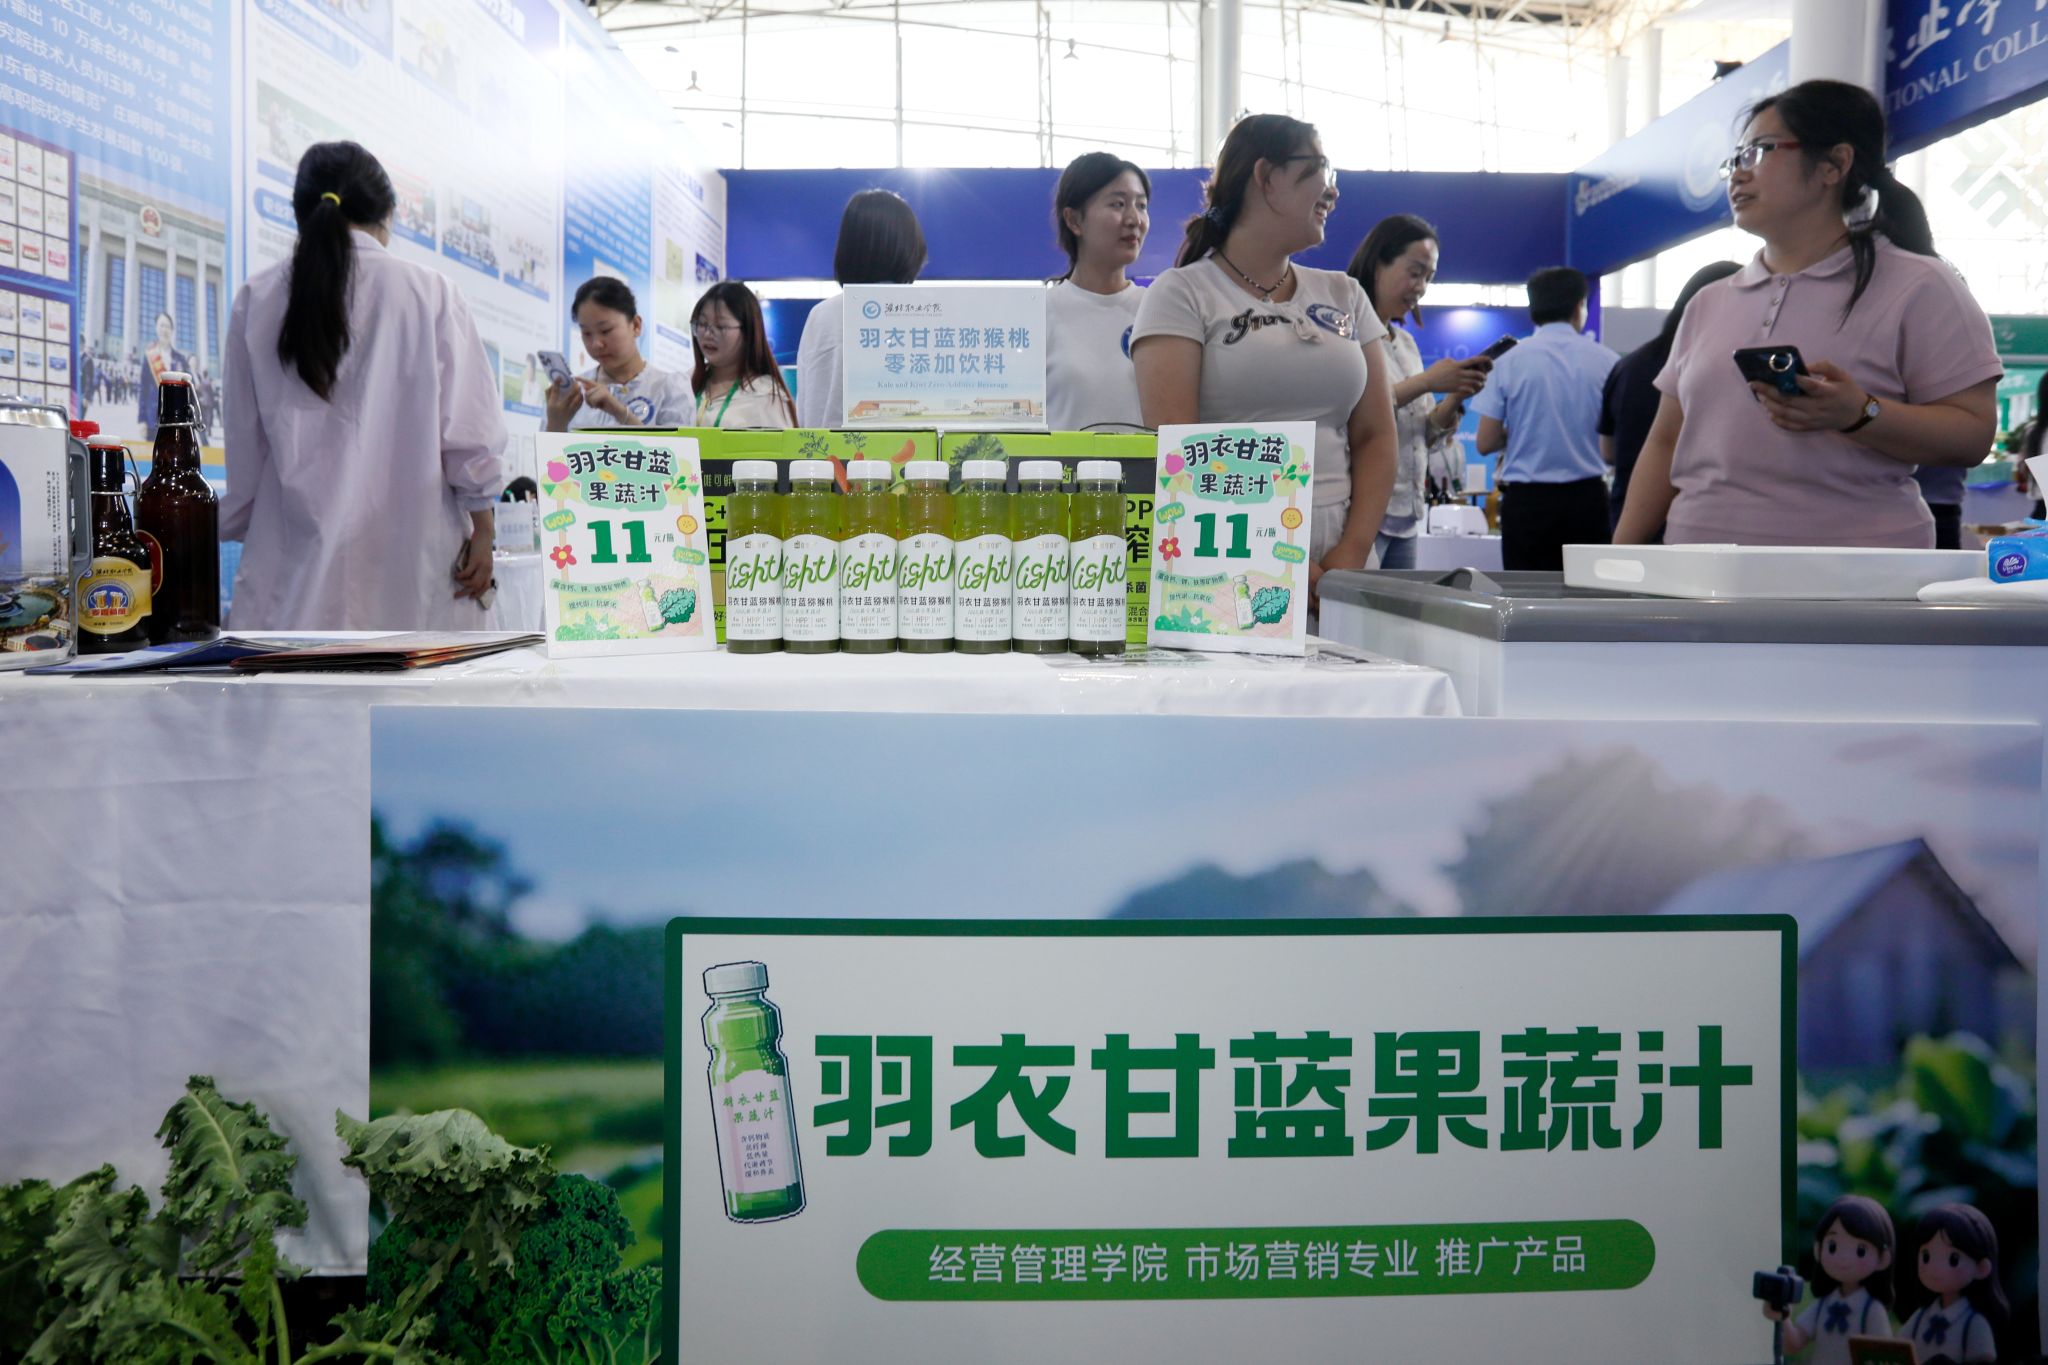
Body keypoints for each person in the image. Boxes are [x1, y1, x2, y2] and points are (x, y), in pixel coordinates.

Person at [1617, 79, 2001, 549]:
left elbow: (1972, 434)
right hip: (1697, 566)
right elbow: (1665, 441)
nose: (1738, 175)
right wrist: (1619, 558)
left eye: (1758, 152)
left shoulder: (1919, 285)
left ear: (1833, 165)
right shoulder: (1709, 302)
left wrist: (1860, 413)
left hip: (1856, 572)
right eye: (1734, 160)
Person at [222, 140, 508, 630]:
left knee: (297, 678)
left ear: (302, 214)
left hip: (295, 581)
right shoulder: (432, 293)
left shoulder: (258, 298)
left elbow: (246, 459)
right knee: (412, 676)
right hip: (412, 572)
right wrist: (484, 529)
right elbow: (470, 436)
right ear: (387, 213)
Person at [1131, 113, 1397, 600]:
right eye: (1321, 169)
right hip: (1228, 550)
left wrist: (1352, 551)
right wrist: (1283, 562)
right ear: (1266, 176)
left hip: (1345, 561)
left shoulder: (1345, 294)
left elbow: (1376, 436)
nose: (1333, 191)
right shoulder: (1182, 293)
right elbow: (1178, 452)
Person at [1347, 213, 1492, 570]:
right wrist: (1427, 381)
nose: (1421, 286)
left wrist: (1456, 395)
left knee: (1400, 608)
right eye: (1414, 272)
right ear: (1378, 263)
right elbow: (1354, 411)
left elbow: (1423, 435)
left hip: (1407, 515)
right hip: (1361, 513)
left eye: (1428, 277)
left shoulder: (1406, 344)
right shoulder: (1346, 333)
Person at [1470, 267, 1618, 571]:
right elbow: (1614, 442)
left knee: (1527, 593)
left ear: (1533, 308)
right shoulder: (1608, 361)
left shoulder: (1508, 361)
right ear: (1579, 306)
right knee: (1589, 592)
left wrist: (1522, 430)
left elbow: (1485, 442)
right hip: (1588, 501)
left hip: (1528, 504)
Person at [1598, 261, 1740, 537]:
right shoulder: (1721, 371)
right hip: (1695, 523)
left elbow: (1607, 451)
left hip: (1630, 515)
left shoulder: (1627, 367)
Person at [795, 189, 927, 428]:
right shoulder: (924, 313)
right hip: (912, 450)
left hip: (828, 450)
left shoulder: (823, 315)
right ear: (910, 246)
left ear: (848, 247)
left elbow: (806, 408)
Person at [1045, 152, 1150, 432]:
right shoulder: (1040, 314)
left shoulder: (1158, 311)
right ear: (1074, 220)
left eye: (1141, 205)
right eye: (1118, 204)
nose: (1134, 219)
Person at [1761, 1194, 1897, 1365]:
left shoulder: (1872, 1310)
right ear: (1818, 1249)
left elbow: (1884, 1357)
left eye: (1861, 1251)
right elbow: (1793, 1344)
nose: (1844, 1258)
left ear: (1883, 1258)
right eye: (1833, 1246)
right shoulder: (1822, 1306)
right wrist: (1783, 1317)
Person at [545, 277, 692, 431]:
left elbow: (677, 446)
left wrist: (619, 412)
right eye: (586, 333)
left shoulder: (670, 388)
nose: (596, 344)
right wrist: (556, 423)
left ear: (636, 325)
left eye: (606, 330)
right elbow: (547, 447)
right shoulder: (573, 395)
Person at [1898, 1204, 2005, 1364]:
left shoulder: (1973, 1323)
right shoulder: (1920, 1317)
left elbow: (1983, 1359)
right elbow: (1897, 1348)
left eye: (1953, 1260)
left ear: (1981, 1268)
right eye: (1926, 1256)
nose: (1935, 1268)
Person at [689, 280, 796, 429]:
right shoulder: (686, 384)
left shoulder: (764, 395)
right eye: (702, 324)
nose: (707, 334)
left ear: (748, 332)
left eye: (720, 326)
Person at [138, 310, 192, 439]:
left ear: (172, 330)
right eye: (161, 325)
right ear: (156, 328)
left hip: (176, 421)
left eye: (167, 326)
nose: (164, 329)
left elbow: (188, 391)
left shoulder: (180, 359)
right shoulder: (150, 356)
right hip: (153, 419)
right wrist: (142, 419)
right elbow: (143, 389)